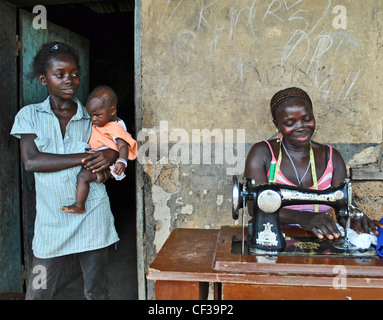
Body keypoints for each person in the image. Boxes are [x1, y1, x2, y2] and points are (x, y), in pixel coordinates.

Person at [11, 41, 120, 300]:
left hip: (92, 216)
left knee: (97, 292)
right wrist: (85, 157)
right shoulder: (29, 115)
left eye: (74, 74)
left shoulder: (94, 119)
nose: (69, 80)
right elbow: (32, 162)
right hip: (50, 222)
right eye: (59, 75)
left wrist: (110, 158)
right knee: (38, 294)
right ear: (43, 79)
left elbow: (111, 159)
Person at [244, 87, 382, 240]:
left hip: (320, 240)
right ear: (276, 124)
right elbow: (255, 206)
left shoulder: (331, 157)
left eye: (307, 119)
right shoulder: (262, 153)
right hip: (272, 238)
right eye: (290, 123)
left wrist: (357, 219)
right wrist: (302, 218)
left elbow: (344, 208)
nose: (301, 127)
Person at [61, 86, 137, 214]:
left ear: (112, 111)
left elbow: (123, 146)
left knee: (83, 176)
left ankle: (79, 205)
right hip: (96, 158)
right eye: (91, 115)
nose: (93, 119)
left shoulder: (116, 127)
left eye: (97, 115)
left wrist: (121, 162)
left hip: (105, 164)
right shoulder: (103, 123)